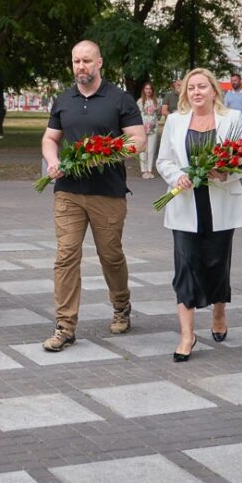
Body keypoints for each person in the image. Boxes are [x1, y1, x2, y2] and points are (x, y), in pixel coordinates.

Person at [40, 40, 145, 351]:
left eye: (86, 60)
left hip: (108, 193)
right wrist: (53, 160)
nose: (80, 66)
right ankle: (65, 326)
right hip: (68, 192)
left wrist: (107, 155)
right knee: (66, 256)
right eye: (76, 61)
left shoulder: (119, 99)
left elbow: (137, 140)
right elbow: (50, 138)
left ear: (100, 62)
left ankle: (121, 305)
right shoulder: (63, 99)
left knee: (110, 256)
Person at [157, 68, 242, 362]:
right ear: (185, 93)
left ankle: (219, 311)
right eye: (191, 88)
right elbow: (164, 161)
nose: (196, 92)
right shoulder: (175, 121)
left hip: (220, 204)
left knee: (216, 265)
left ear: (213, 91)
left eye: (202, 87)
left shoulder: (232, 119)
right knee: (185, 267)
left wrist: (225, 174)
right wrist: (176, 177)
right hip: (185, 206)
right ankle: (187, 336)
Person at [136, 82, 161, 179]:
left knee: (151, 150)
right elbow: (136, 115)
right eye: (146, 89)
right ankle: (143, 171)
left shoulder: (157, 101)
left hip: (153, 129)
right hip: (142, 128)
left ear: (152, 90)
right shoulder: (140, 101)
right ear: (144, 90)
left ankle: (149, 170)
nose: (148, 91)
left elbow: (159, 115)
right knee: (143, 149)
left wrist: (153, 122)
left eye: (150, 89)